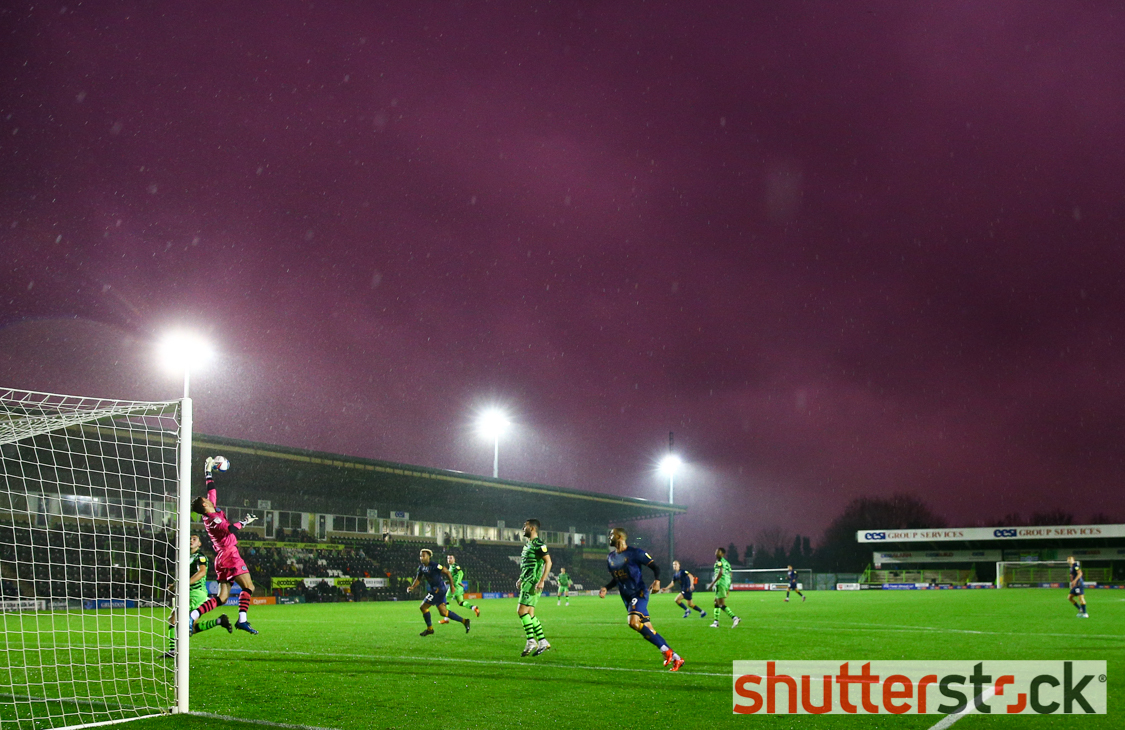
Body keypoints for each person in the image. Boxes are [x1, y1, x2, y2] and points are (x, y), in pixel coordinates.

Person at [189, 456, 259, 635]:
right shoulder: (216, 519)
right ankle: (242, 620)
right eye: (206, 499)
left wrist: (208, 471)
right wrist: (245, 521)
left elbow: (212, 490)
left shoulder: (208, 514)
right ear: (205, 504)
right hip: (229, 554)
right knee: (249, 587)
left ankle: (193, 615)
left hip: (220, 558)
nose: (209, 498)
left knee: (222, 597)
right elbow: (231, 531)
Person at [599, 527, 684, 671]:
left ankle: (666, 651)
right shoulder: (610, 557)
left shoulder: (635, 553)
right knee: (648, 629)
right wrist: (606, 587)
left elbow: (656, 567)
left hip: (638, 593)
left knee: (633, 622)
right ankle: (676, 658)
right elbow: (616, 578)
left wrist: (657, 580)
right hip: (626, 597)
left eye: (611, 534)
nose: (609, 537)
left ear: (620, 537)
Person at [162, 533, 232, 657]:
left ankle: (173, 651)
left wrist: (183, 584)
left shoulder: (200, 557)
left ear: (199, 544)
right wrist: (173, 586)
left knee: (174, 619)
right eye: (189, 538)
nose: (191, 540)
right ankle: (219, 621)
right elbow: (183, 577)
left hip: (195, 594)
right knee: (190, 627)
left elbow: (202, 572)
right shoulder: (185, 558)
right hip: (187, 592)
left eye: (194, 539)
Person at [407, 549, 470, 635]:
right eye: (420, 556)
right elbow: (418, 579)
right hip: (436, 590)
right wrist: (412, 586)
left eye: (423, 555)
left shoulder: (435, 565)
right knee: (443, 612)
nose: (421, 557)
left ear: (428, 556)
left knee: (423, 607)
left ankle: (430, 629)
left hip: (438, 589)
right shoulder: (421, 567)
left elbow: (447, 572)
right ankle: (464, 621)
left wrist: (451, 586)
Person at [516, 518, 552, 656]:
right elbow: (527, 565)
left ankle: (531, 640)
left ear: (532, 528)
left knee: (521, 611)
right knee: (530, 614)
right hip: (527, 581)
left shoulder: (538, 544)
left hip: (532, 583)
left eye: (524, 526)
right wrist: (521, 578)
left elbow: (548, 562)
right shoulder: (528, 544)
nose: (522, 528)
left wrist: (542, 580)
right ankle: (542, 640)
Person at [438, 554, 479, 623]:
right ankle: (474, 608)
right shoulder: (450, 567)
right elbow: (453, 577)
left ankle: (446, 619)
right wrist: (447, 582)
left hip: (454, 587)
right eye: (448, 558)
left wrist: (457, 582)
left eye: (451, 558)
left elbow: (461, 573)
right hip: (458, 587)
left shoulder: (455, 566)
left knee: (445, 601)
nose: (449, 560)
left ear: (454, 559)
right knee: (461, 602)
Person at [707, 547, 740, 628]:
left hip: (720, 583)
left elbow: (720, 573)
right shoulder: (727, 563)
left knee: (721, 604)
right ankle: (716, 622)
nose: (716, 553)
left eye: (718, 552)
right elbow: (730, 574)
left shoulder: (720, 562)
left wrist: (712, 584)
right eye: (716, 551)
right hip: (725, 583)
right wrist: (728, 588)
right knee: (716, 602)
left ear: (722, 554)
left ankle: (735, 618)